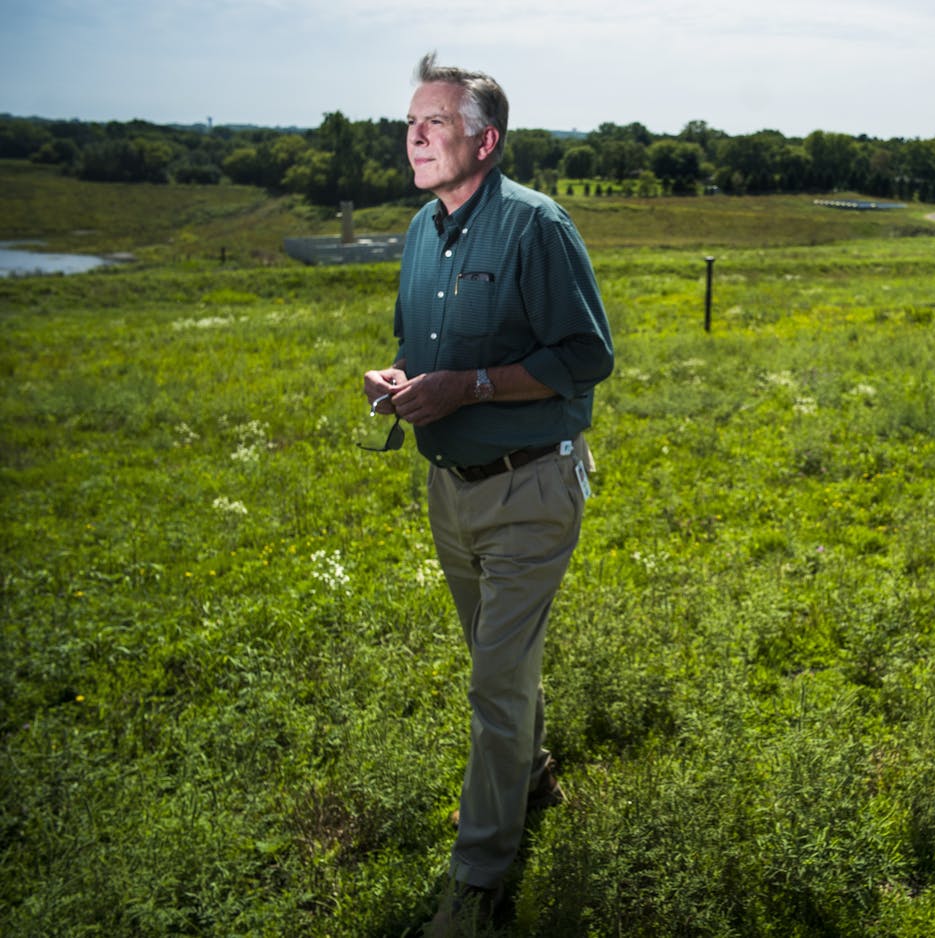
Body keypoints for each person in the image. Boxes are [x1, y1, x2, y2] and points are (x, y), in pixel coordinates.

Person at [362, 52, 614, 930]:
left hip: (531, 487)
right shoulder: (424, 229)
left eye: (436, 121)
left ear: (486, 140)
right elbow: (422, 343)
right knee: (498, 666)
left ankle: (478, 878)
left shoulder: (537, 229)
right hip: (451, 491)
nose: (416, 135)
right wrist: (401, 377)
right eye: (410, 121)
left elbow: (586, 359)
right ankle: (531, 773)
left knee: (494, 682)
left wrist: (465, 388)